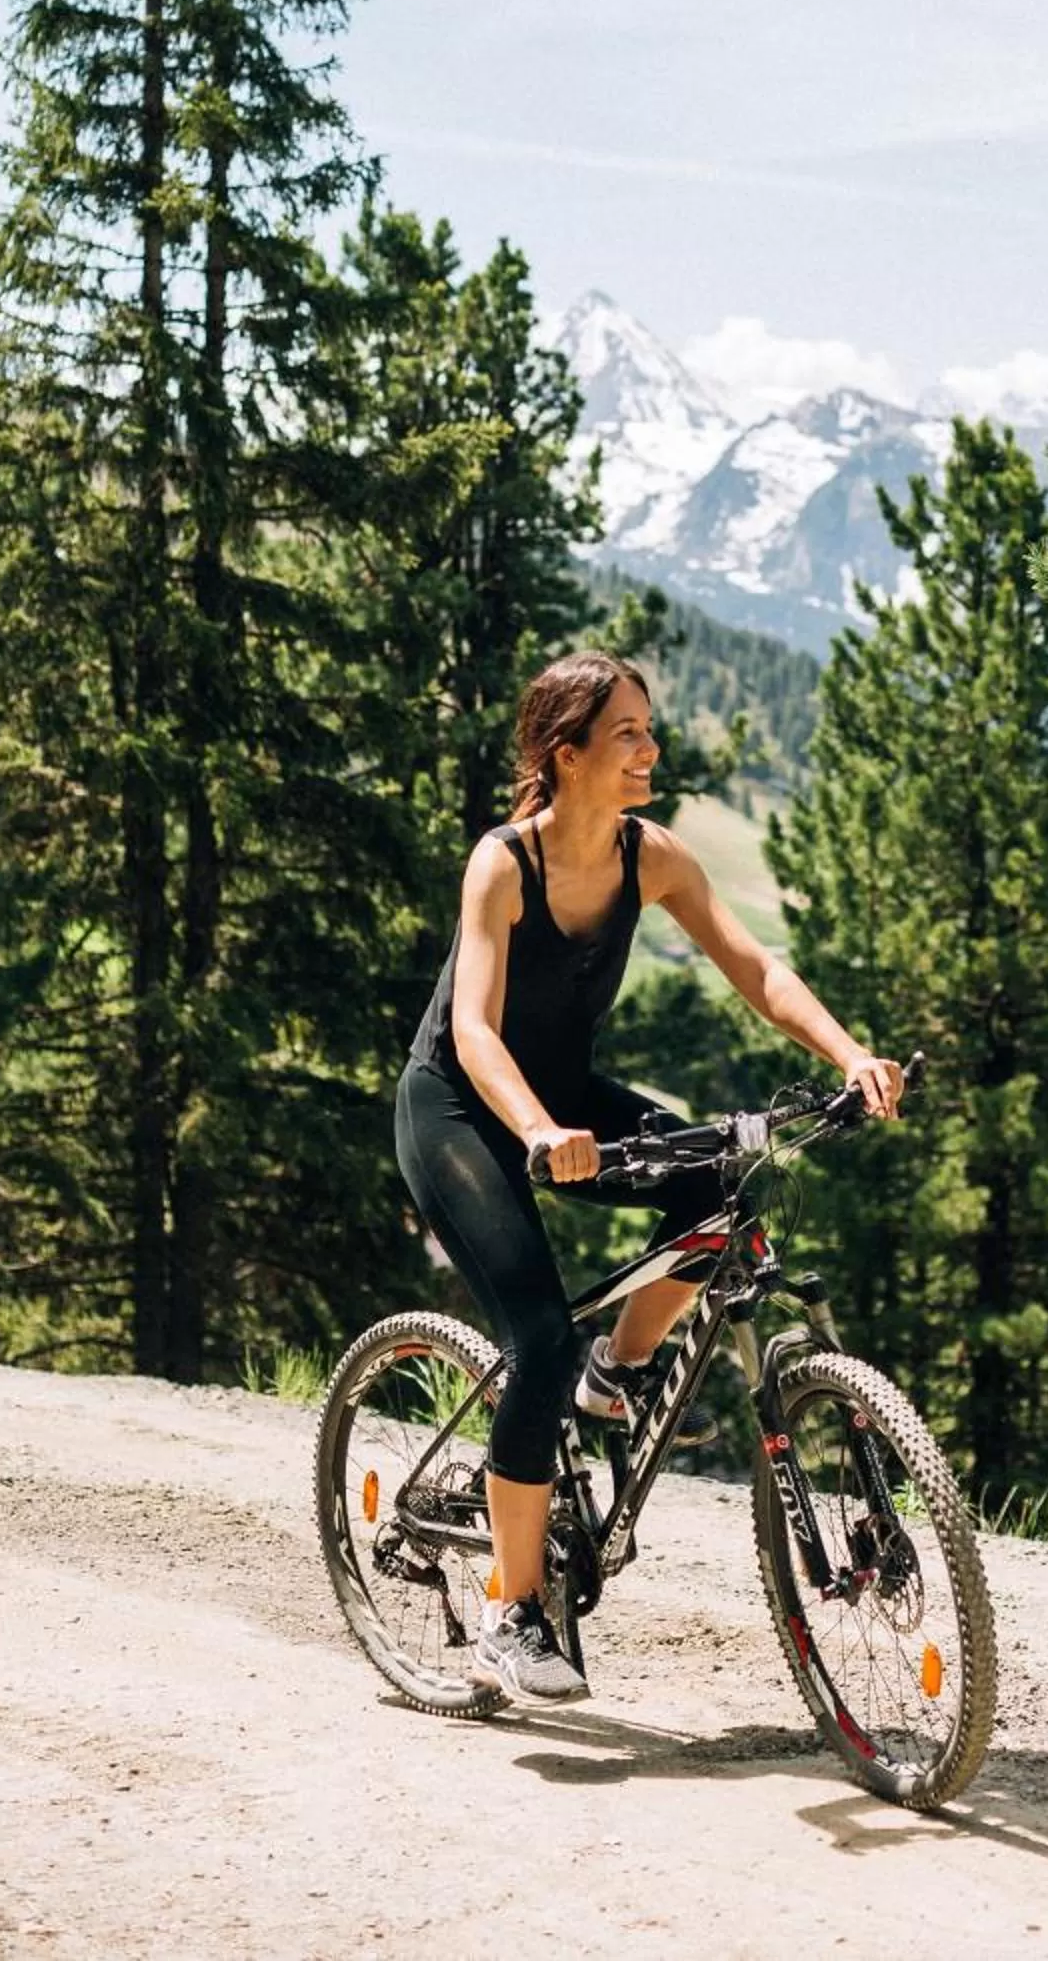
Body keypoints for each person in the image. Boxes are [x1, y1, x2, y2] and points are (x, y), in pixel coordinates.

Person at [395, 648, 904, 1706]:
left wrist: (847, 1055)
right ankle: (511, 1611)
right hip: (461, 1107)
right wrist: (538, 1130)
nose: (649, 748)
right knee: (535, 1335)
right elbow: (474, 1030)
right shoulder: (504, 863)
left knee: (713, 1192)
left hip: (563, 1098)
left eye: (648, 728)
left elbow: (756, 967)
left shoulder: (650, 858)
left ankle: (615, 1375)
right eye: (626, 733)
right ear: (564, 753)